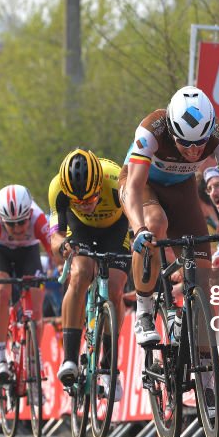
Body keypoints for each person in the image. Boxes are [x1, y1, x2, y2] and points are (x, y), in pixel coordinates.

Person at [121, 85, 219, 419]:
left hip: (180, 190)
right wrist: (138, 231)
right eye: (184, 144)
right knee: (154, 222)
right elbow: (134, 187)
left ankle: (207, 375)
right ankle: (146, 309)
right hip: (142, 187)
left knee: (203, 278)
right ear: (172, 131)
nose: (193, 152)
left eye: (199, 145)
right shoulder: (153, 128)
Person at [48, 149, 129, 400]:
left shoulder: (116, 180)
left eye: (92, 198)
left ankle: (108, 365)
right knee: (80, 273)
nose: (86, 204)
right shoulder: (58, 190)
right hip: (80, 229)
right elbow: (55, 236)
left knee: (115, 287)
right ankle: (70, 359)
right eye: (78, 201)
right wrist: (63, 247)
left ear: (99, 187)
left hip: (117, 229)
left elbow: (136, 213)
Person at [0, 185, 56, 385]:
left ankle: (35, 354)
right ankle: (0, 357)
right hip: (1, 253)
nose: (17, 229)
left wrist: (61, 269)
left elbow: (57, 256)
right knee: (1, 289)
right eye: (11, 224)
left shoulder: (38, 218)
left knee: (36, 297)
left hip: (29, 252)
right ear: (2, 220)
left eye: (22, 222)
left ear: (30, 215)